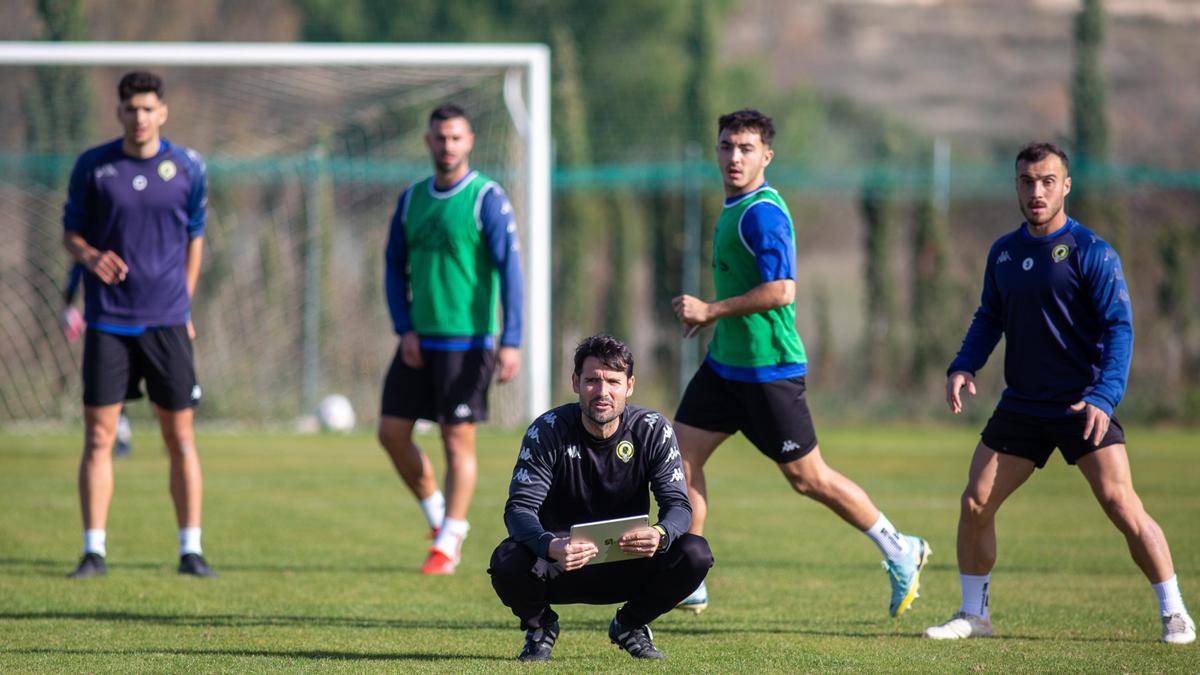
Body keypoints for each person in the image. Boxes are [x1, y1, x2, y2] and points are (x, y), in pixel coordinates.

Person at [923, 142, 1195, 644]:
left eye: (1047, 181)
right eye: (1027, 181)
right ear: (1016, 186)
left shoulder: (1092, 252)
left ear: (1066, 186)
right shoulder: (1003, 252)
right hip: (1023, 404)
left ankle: (1175, 612)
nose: (1036, 191)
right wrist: (964, 365)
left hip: (1082, 403)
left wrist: (1104, 396)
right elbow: (990, 316)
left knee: (1121, 503)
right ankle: (974, 615)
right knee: (976, 502)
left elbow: (1120, 329)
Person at [670, 109, 928, 616]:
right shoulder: (734, 205)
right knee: (679, 461)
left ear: (767, 155)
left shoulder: (761, 212)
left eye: (745, 148)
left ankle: (901, 548)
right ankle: (689, 576)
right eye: (726, 146)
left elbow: (782, 290)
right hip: (726, 367)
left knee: (810, 479)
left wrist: (711, 310)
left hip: (770, 372)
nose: (734, 157)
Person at [61, 71, 213, 578]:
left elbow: (195, 237)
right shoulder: (94, 166)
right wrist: (89, 255)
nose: (140, 117)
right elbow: (71, 235)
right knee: (100, 436)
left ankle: (190, 549)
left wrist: (184, 304)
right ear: (119, 112)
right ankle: (94, 550)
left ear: (162, 112)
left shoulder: (189, 167)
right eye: (131, 108)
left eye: (148, 108)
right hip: (109, 321)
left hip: (167, 323)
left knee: (180, 437)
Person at [489, 334, 713, 661]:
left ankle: (631, 624)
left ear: (630, 385)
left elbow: (678, 506)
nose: (602, 391)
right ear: (575, 382)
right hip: (559, 565)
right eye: (592, 380)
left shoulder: (653, 430)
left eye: (613, 381)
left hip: (628, 563)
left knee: (695, 553)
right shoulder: (547, 431)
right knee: (506, 561)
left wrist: (659, 534)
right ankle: (540, 627)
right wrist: (551, 545)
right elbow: (519, 509)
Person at [380, 103, 524, 575]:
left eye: (456, 138)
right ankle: (440, 517)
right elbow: (392, 266)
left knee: (456, 441)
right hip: (420, 341)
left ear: (470, 142)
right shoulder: (411, 199)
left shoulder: (487, 198)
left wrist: (511, 339)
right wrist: (405, 329)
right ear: (428, 141)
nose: (447, 146)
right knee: (391, 433)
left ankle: (449, 539)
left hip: (469, 343)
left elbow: (512, 272)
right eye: (440, 138)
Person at [61, 263, 133, 458]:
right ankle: (122, 436)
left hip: (146, 324)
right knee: (110, 392)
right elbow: (77, 267)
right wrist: (68, 305)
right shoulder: (92, 247)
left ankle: (171, 434)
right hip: (105, 327)